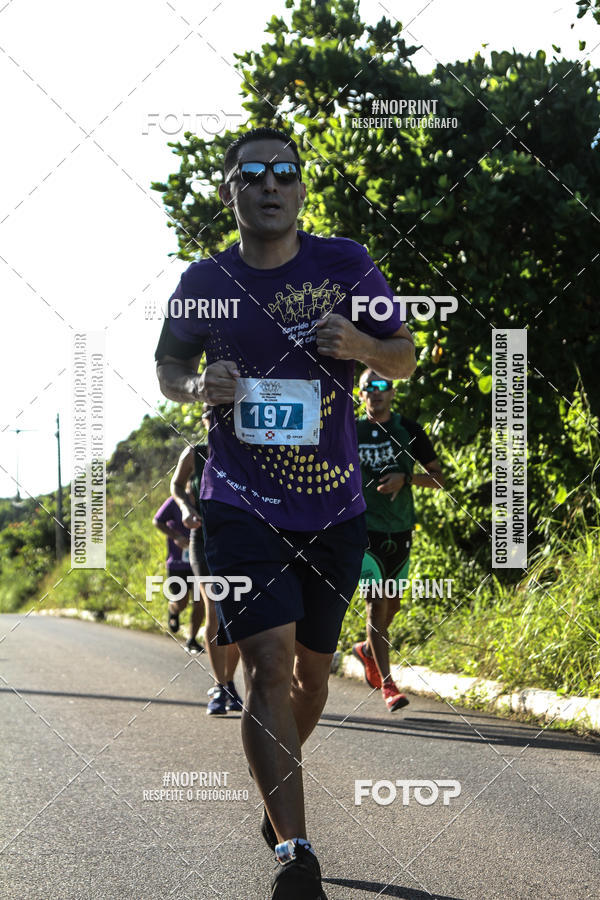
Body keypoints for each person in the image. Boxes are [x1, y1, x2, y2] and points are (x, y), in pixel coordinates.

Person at [155, 126, 416, 900]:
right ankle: (296, 854)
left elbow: (403, 353)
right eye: (253, 173)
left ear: (301, 190)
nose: (270, 184)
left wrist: (364, 344)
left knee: (312, 676)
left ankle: (276, 798)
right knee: (267, 666)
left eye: (285, 173)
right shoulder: (205, 278)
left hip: (335, 508)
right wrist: (200, 388)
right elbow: (169, 368)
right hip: (239, 501)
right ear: (230, 189)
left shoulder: (346, 263)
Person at [353, 368, 445, 712]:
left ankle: (366, 649)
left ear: (392, 392)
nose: (375, 392)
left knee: (392, 606)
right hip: (364, 530)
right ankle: (388, 685)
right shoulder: (350, 430)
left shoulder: (409, 429)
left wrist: (405, 479)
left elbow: (438, 479)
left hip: (402, 529)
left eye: (382, 386)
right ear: (360, 394)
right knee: (377, 606)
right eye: (368, 387)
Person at [170, 404, 243, 715]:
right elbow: (176, 484)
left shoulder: (246, 448)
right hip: (205, 537)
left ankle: (231, 684)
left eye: (223, 412)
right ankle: (221, 685)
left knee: (237, 613)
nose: (216, 418)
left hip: (240, 539)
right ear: (203, 418)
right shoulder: (195, 453)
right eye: (209, 413)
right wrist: (186, 508)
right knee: (214, 608)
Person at [152, 491, 204, 653]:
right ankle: (173, 610)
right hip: (177, 564)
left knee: (201, 601)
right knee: (181, 601)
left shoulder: (206, 499)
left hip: (200, 561)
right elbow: (157, 521)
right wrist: (176, 536)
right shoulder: (175, 502)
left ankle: (192, 639)